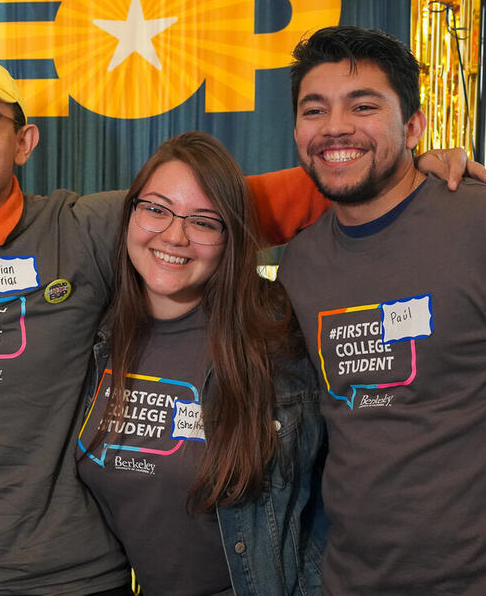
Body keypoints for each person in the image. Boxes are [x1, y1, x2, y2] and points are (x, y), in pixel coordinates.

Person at [0, 49, 486, 594]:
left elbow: (244, 202)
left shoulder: (85, 227)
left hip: (70, 577)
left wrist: (411, 170)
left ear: (24, 139)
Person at [277, 25, 486, 594]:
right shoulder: (299, 264)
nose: (336, 127)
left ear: (414, 125)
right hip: (351, 579)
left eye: (363, 105)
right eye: (314, 110)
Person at [77, 132, 325, 595]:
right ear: (129, 213)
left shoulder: (277, 340)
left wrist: (418, 175)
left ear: (231, 237)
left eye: (204, 222)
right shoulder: (97, 334)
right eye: (156, 208)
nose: (175, 235)